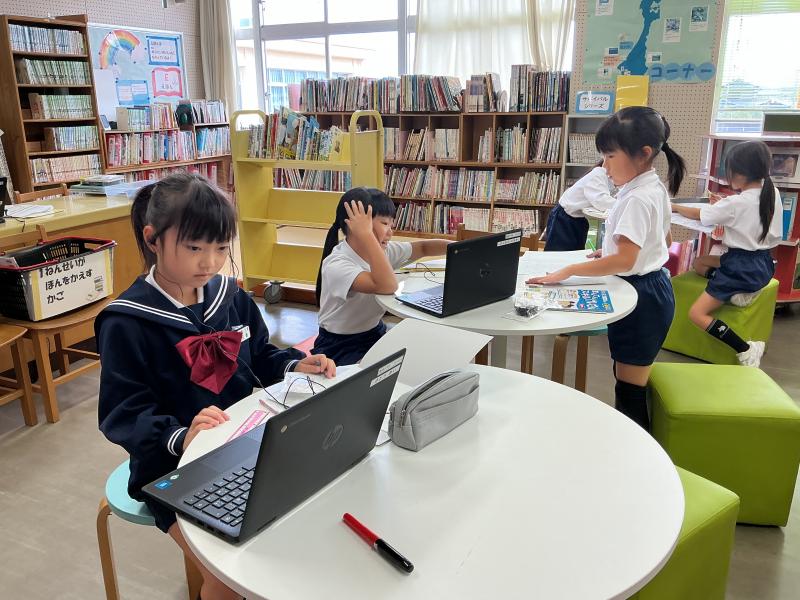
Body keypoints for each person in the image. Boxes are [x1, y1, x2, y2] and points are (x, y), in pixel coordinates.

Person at [97, 173, 335, 600]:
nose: (210, 262)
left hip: (246, 441)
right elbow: (123, 412)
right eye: (194, 248)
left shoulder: (230, 296)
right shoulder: (127, 321)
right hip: (170, 467)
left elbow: (259, 355)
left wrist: (296, 365)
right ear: (152, 239)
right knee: (228, 580)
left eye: (221, 248)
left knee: (308, 518)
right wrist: (180, 436)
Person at [528, 106, 685, 431]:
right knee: (628, 381)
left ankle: (638, 451)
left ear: (643, 154)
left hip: (643, 297)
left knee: (629, 392)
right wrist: (611, 249)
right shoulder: (651, 187)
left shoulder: (636, 198)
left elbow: (626, 260)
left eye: (611, 156)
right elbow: (660, 239)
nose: (605, 166)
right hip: (653, 288)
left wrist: (569, 270)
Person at [672, 140, 782, 367]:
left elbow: (700, 215)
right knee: (700, 263)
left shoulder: (735, 203)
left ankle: (746, 349)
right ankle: (736, 292)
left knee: (697, 314)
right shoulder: (772, 193)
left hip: (740, 267)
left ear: (740, 173)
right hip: (763, 263)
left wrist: (674, 206)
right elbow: (743, 210)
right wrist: (723, 204)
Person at [314, 187, 451, 365]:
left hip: (374, 333)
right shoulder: (337, 264)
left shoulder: (383, 251)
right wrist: (366, 235)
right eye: (385, 223)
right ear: (356, 226)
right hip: (339, 345)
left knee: (424, 356)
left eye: (391, 225)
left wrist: (462, 248)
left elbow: (423, 248)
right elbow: (387, 286)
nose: (390, 232)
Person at [543, 161, 616, 251]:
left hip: (577, 218)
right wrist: (622, 204)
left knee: (576, 251)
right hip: (564, 217)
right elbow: (601, 201)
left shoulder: (608, 177)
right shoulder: (599, 174)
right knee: (558, 252)